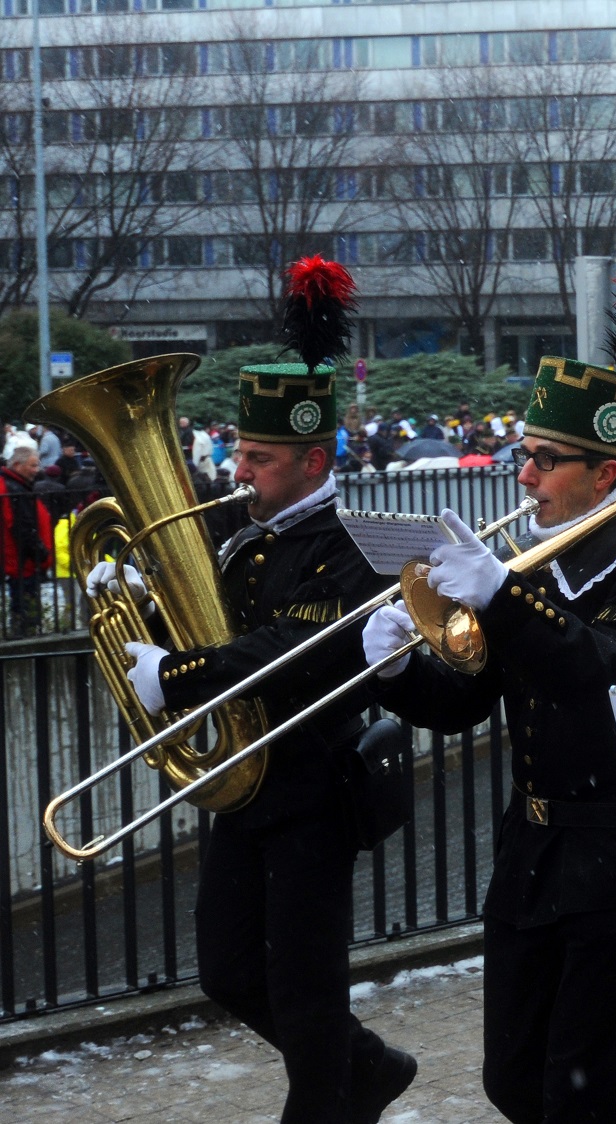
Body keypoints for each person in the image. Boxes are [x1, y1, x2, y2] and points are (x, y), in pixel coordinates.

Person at [363, 348, 616, 1122]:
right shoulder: (530, 562)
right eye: (526, 456)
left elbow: (615, 674)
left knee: (580, 1095)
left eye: (545, 461)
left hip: (614, 853)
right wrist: (397, 673)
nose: (525, 476)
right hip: (532, 853)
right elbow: (470, 699)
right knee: (512, 1082)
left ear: (604, 473)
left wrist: (505, 598)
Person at [116, 348, 414, 1121]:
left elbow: (291, 646)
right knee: (228, 972)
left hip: (313, 789)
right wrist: (134, 602)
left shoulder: (351, 541)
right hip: (245, 788)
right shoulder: (241, 534)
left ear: (313, 460)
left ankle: (334, 1092)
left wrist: (175, 677)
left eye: (260, 457)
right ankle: (369, 1067)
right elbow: (203, 626)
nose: (240, 469)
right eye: (242, 453)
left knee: (306, 992)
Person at [0, 444, 50, 635]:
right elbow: (22, 527)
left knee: (22, 606)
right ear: (18, 465)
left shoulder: (12, 485)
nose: (37, 470)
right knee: (26, 611)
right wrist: (41, 553)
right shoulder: (15, 489)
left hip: (20, 560)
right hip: (24, 562)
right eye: (33, 466)